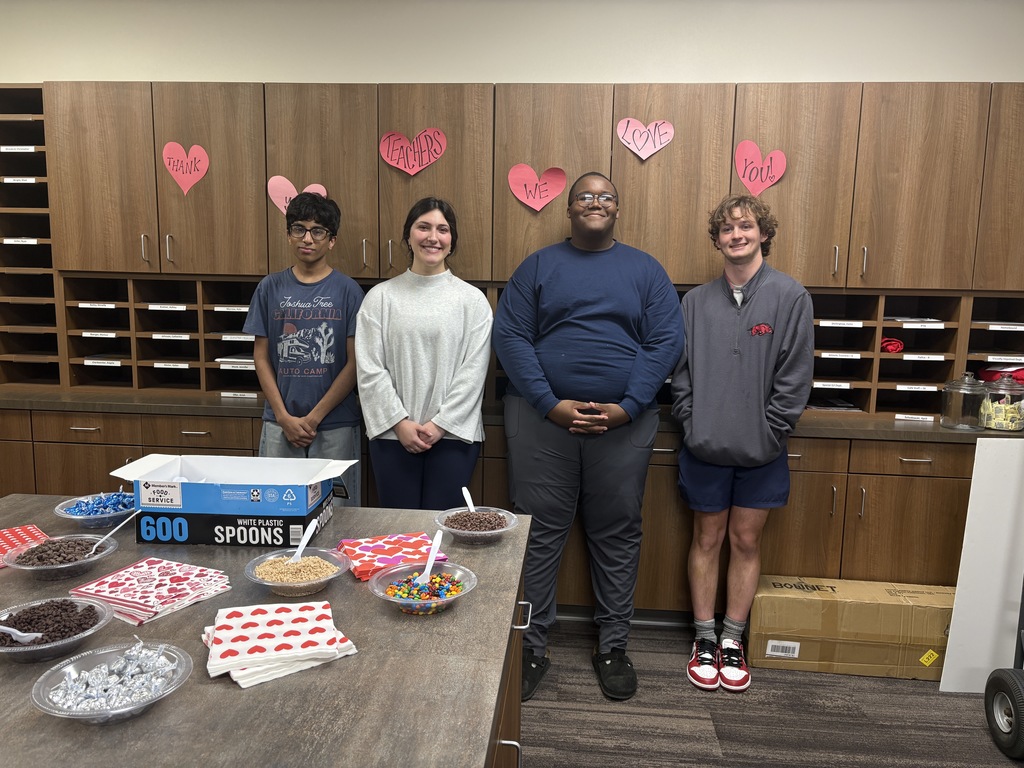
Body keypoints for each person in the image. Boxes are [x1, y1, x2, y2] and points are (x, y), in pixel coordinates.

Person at [492, 172, 684, 702]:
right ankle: (530, 646)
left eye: (605, 196)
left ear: (617, 209)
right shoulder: (538, 266)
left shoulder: (646, 271)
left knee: (617, 532)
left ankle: (613, 646)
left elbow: (666, 339)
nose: (595, 202)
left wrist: (628, 406)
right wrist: (550, 404)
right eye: (585, 197)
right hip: (540, 420)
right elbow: (510, 335)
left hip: (623, 424)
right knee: (537, 534)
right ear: (570, 210)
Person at [670, 193, 814, 693]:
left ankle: (734, 638)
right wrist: (691, 423)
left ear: (763, 233)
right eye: (727, 229)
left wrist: (771, 430)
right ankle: (704, 638)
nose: (737, 235)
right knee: (706, 540)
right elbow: (680, 376)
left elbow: (795, 378)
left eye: (746, 226)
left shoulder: (791, 297)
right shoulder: (693, 302)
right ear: (717, 239)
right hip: (705, 446)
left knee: (745, 541)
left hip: (762, 451)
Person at [355, 197, 492, 510]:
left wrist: (439, 425)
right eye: (424, 227)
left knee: (443, 533)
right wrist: (399, 423)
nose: (433, 237)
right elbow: (370, 368)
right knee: (399, 534)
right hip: (392, 435)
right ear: (408, 236)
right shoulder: (380, 299)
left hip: (454, 437)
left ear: (451, 240)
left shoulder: (472, 302)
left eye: (443, 229)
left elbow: (474, 372)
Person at [244, 192, 364, 505]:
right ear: (288, 235)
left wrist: (313, 418)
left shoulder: (349, 291)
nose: (307, 238)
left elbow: (355, 364)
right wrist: (283, 416)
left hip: (335, 424)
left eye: (318, 231)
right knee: (277, 512)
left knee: (338, 514)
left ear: (332, 240)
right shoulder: (270, 287)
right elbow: (261, 356)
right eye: (299, 229)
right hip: (279, 423)